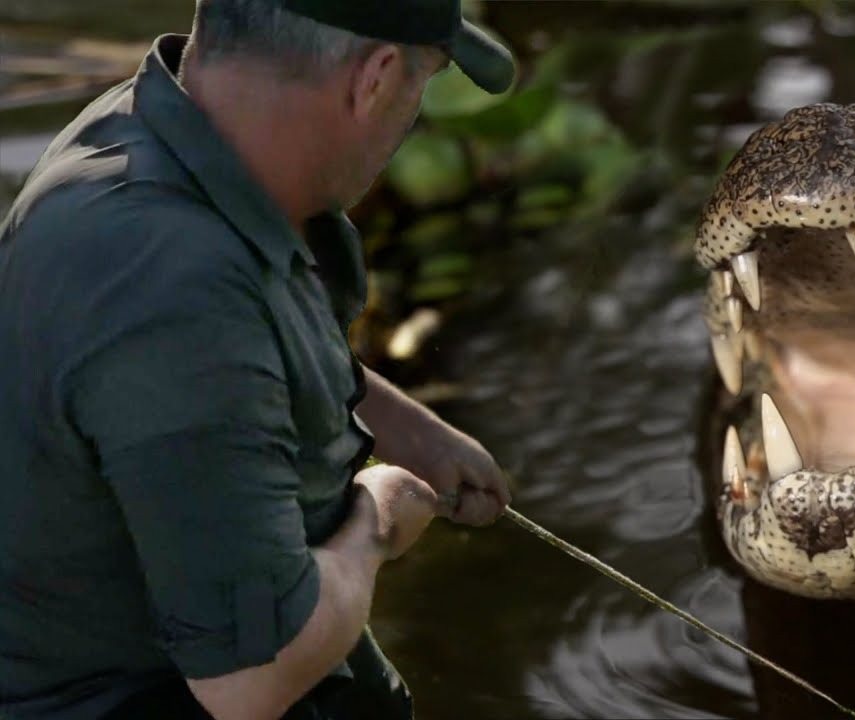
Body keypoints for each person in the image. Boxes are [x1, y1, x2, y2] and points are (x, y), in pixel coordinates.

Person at [0, 1, 516, 717]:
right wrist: (378, 517)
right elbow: (252, 681)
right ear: (375, 78)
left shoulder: (158, 127)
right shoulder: (169, 284)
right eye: (422, 82)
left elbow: (230, 363)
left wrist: (408, 427)